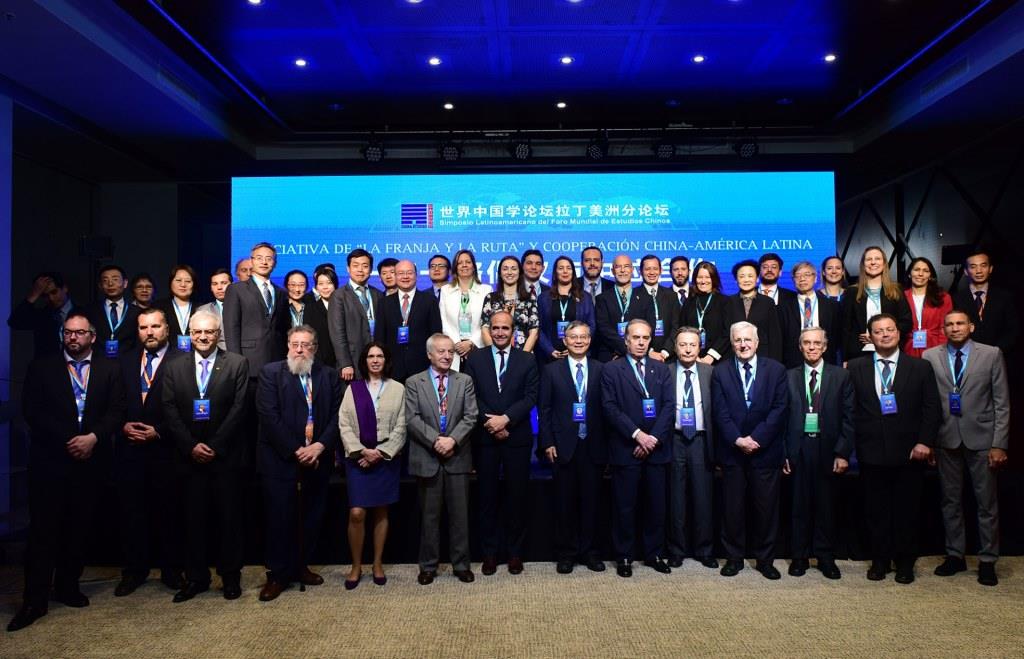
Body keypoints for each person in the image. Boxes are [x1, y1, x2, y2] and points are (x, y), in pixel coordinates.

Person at [7, 312, 126, 632]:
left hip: (92, 462)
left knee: (79, 527)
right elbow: (32, 411)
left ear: (93, 337)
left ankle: (68, 586)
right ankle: (34, 601)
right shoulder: (41, 367)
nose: (73, 337)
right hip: (50, 462)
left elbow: (117, 410)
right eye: (68, 332)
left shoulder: (111, 369)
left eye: (80, 332)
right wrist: (70, 441)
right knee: (43, 532)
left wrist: (93, 438)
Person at [161, 310, 250, 602]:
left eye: (209, 332)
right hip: (188, 459)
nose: (203, 337)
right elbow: (169, 409)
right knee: (192, 521)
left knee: (229, 520)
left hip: (225, 457)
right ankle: (196, 578)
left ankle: (231, 577)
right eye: (197, 332)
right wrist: (191, 446)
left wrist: (215, 445)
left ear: (218, 334)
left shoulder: (237, 363)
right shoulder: (173, 367)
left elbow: (239, 408)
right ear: (189, 334)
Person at [847, 313, 940, 584]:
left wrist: (925, 442)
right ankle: (880, 560)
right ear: (870, 337)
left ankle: (905, 562)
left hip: (910, 451)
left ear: (899, 334)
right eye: (878, 331)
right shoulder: (855, 367)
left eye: (889, 330)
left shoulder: (920, 367)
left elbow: (932, 408)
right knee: (875, 510)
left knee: (907, 510)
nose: (885, 335)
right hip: (870, 451)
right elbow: (849, 410)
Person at [255, 325, 342, 601]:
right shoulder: (270, 373)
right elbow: (268, 416)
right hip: (279, 460)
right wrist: (296, 450)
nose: (300, 350)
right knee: (279, 518)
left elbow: (338, 415)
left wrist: (319, 446)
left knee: (311, 516)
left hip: (317, 459)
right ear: (288, 346)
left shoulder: (328, 375)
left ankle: (300, 567)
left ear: (315, 348)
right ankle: (277, 575)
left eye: (306, 345)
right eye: (295, 344)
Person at [923, 310, 1009, 586]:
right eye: (949, 324)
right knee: (950, 501)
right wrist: (930, 441)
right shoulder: (930, 356)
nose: (955, 328)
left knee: (986, 503)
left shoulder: (991, 354)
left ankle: (988, 560)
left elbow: (1002, 402)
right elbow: (929, 403)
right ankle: (955, 555)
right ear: (943, 329)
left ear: (971, 327)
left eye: (960, 323)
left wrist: (999, 443)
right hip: (946, 438)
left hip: (983, 439)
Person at [113, 307, 186, 598]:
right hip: (130, 450)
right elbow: (113, 402)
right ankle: (134, 571)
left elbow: (187, 408)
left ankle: (171, 570)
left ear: (167, 329)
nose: (150, 332)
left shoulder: (182, 361)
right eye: (144, 327)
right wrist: (122, 425)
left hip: (166, 450)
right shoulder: (124, 361)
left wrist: (159, 431)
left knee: (169, 513)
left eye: (155, 326)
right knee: (131, 513)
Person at [462, 311, 539, 576]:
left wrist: (506, 420)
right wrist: (491, 422)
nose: (500, 332)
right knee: (487, 498)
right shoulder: (475, 358)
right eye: (495, 328)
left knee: (517, 497)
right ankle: (490, 553)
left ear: (513, 331)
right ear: (489, 330)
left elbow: (531, 396)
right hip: (485, 438)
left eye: (505, 328)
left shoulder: (527, 359)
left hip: (517, 438)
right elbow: (470, 395)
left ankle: (515, 553)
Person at [711, 321, 789, 580]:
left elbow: (780, 409)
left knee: (766, 509)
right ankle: (734, 558)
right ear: (732, 343)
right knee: (732, 509)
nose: (743, 344)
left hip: (765, 451)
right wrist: (737, 439)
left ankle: (765, 560)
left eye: (747, 340)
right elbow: (720, 412)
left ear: (757, 342)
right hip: (733, 452)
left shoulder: (776, 370)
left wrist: (756, 438)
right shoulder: (720, 372)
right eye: (738, 340)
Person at [601, 319, 675, 577]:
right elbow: (610, 408)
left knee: (656, 505)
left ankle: (655, 554)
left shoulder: (661, 369)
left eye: (645, 338)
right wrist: (638, 435)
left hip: (656, 448)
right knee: (625, 506)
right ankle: (624, 556)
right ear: (626, 340)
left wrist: (652, 439)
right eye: (636, 337)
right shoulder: (611, 370)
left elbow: (669, 406)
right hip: (626, 447)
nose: (641, 342)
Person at [404, 334, 479, 585]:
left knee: (460, 516)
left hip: (457, 456)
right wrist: (436, 440)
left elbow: (471, 416)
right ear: (429, 354)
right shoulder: (414, 382)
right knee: (429, 517)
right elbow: (411, 418)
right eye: (441, 351)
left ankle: (461, 565)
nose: (447, 356)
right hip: (427, 456)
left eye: (450, 352)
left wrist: (452, 440)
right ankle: (428, 566)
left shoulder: (464, 380)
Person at [783, 327, 854, 580]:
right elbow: (781, 418)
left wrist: (843, 452)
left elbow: (849, 417)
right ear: (800, 347)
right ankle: (799, 556)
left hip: (829, 449)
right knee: (798, 505)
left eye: (816, 343)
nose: (812, 347)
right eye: (807, 343)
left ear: (825, 347)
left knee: (826, 505)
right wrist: (784, 453)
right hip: (799, 447)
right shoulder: (788, 376)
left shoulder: (841, 376)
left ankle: (825, 556)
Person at [538, 320, 607, 574]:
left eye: (583, 337)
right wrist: (547, 441)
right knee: (564, 503)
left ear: (589, 340)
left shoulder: (601, 369)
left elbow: (607, 409)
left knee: (592, 503)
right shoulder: (551, 371)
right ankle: (566, 553)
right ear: (565, 341)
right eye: (573, 337)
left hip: (594, 445)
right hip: (563, 446)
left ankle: (590, 552)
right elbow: (544, 409)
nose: (579, 341)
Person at [338, 342, 406, 589]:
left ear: (386, 360)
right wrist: (360, 451)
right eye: (370, 356)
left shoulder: (398, 389)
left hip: (385, 459)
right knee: (357, 513)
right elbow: (344, 423)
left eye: (380, 356)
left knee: (381, 511)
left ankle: (377, 563)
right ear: (364, 361)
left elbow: (402, 425)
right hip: (358, 460)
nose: (375, 360)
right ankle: (356, 566)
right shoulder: (353, 389)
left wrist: (381, 452)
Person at [666, 327, 718, 570]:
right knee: (675, 499)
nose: (688, 349)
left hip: (701, 439)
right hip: (674, 439)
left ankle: (705, 550)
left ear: (700, 347)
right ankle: (676, 550)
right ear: (675, 347)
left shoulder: (711, 372)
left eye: (693, 345)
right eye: (683, 344)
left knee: (703, 497)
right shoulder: (665, 371)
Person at [222, 242, 290, 381]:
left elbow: (284, 330)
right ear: (251, 261)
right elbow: (231, 328)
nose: (264, 262)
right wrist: (236, 362)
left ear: (274, 263)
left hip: (277, 361)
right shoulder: (236, 290)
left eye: (269, 258)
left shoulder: (281, 293)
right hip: (248, 362)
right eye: (259, 258)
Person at [376, 259, 443, 382]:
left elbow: (436, 334)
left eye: (409, 273)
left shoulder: (429, 300)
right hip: (392, 368)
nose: (405, 277)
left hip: (422, 367)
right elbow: (380, 337)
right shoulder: (384, 303)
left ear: (416, 275)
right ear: (395, 276)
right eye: (401, 273)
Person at [841, 246, 912, 363]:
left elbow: (906, 322)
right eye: (869, 259)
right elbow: (845, 327)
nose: (873, 262)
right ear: (863, 265)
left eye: (877, 259)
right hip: (858, 353)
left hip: (889, 351)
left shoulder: (896, 290)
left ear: (884, 264)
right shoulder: (852, 292)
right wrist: (845, 358)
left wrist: (881, 334)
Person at [330, 248, 383, 384]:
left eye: (365, 266)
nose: (360, 270)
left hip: (377, 361)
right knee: (357, 397)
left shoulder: (378, 294)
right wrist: (345, 363)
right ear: (348, 269)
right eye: (355, 265)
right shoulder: (339, 296)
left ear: (370, 269)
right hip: (352, 363)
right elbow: (337, 333)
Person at [952, 250, 1018, 355]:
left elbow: (1013, 329)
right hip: (968, 356)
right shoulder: (956, 299)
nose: (979, 271)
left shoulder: (1005, 297)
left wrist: (996, 351)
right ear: (966, 271)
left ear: (990, 269)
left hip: (1000, 355)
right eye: (973, 267)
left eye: (983, 265)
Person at [779, 261, 841, 368]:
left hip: (825, 360)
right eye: (798, 276)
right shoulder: (783, 307)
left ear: (815, 278)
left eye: (807, 275)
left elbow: (836, 337)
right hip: (793, 362)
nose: (802, 279)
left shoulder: (832, 306)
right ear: (793, 280)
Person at [438, 249, 492, 371]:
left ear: (474, 266)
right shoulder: (446, 290)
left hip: (478, 347)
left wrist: (471, 342)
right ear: (455, 267)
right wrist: (457, 343)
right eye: (460, 263)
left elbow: (488, 322)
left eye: (468, 262)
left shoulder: (486, 290)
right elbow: (443, 321)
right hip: (453, 349)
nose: (464, 265)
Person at [537, 255, 596, 363]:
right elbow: (538, 328)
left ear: (573, 272)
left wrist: (577, 347)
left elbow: (591, 325)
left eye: (568, 268)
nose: (565, 271)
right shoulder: (544, 298)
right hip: (550, 356)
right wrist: (549, 350)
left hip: (578, 353)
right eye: (561, 268)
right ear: (555, 272)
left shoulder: (585, 297)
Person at [594, 254, 653, 362]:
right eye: (618, 267)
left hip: (638, 355)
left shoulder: (646, 298)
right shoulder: (602, 298)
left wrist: (633, 348)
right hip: (610, 355)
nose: (622, 270)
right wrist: (625, 349)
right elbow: (603, 328)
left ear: (632, 270)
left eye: (626, 266)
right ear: (612, 271)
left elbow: (649, 326)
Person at [7, 271, 74, 358]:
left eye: (54, 292)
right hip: (45, 365)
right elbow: (15, 322)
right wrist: (34, 295)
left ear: (65, 288)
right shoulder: (41, 316)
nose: (51, 298)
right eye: (45, 295)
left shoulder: (84, 313)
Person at [480, 255, 539, 353]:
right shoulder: (491, 298)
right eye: (505, 269)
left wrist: (523, 357)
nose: (509, 272)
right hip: (496, 355)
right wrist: (495, 355)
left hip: (523, 353)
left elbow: (534, 332)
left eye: (514, 269)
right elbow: (485, 330)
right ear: (500, 273)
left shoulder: (529, 298)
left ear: (520, 272)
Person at [725, 260, 782, 362]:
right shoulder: (728, 302)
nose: (746, 280)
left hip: (762, 357)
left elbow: (774, 336)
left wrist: (774, 362)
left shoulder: (768, 302)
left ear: (757, 279)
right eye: (742, 276)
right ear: (736, 280)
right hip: (734, 357)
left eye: (750, 276)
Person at [678, 261, 730, 365]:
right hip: (692, 357)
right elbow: (681, 329)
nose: (703, 281)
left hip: (719, 359)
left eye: (707, 277)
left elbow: (728, 332)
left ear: (714, 279)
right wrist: (694, 355)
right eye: (699, 277)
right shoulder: (689, 302)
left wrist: (711, 356)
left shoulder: (725, 301)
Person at [86, 264, 140, 358]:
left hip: (128, 361)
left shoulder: (136, 312)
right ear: (100, 286)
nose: (110, 284)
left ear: (125, 283)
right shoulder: (90, 311)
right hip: (98, 360)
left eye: (115, 279)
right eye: (105, 280)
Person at [903, 257, 952, 357]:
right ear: (909, 274)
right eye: (916, 270)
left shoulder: (943, 297)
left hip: (935, 347)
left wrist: (942, 351)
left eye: (925, 271)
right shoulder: (901, 296)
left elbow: (945, 327)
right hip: (907, 348)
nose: (920, 274)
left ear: (930, 276)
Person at [637, 254, 678, 362]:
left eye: (655, 269)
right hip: (642, 356)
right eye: (647, 269)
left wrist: (665, 352)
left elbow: (676, 326)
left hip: (668, 357)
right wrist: (649, 352)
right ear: (640, 271)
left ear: (661, 270)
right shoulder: (633, 295)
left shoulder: (671, 295)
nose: (652, 272)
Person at [303, 268, 337, 368]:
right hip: (320, 362)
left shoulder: (344, 304)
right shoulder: (310, 307)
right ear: (316, 287)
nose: (325, 287)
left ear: (335, 284)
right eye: (321, 284)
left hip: (344, 362)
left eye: (329, 283)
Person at [155, 265, 197, 346]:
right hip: (167, 353)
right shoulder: (158, 307)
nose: (183, 284)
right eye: (178, 280)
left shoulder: (201, 308)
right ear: (170, 283)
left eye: (188, 281)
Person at [195, 268, 232, 352]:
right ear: (211, 288)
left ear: (232, 285)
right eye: (215, 284)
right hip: (213, 354)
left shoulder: (243, 306)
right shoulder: (202, 310)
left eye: (224, 283)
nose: (219, 287)